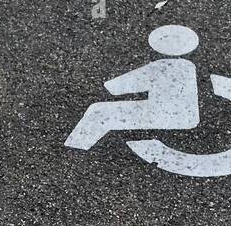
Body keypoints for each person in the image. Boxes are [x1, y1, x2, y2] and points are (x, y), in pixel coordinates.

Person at [65, 25, 202, 150]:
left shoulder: (160, 66)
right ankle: (76, 146)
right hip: (184, 116)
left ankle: (74, 148)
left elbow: (119, 87)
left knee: (99, 110)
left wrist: (109, 85)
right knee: (104, 110)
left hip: (163, 114)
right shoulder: (188, 66)